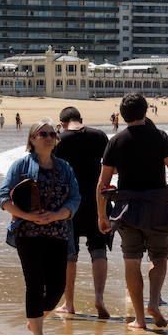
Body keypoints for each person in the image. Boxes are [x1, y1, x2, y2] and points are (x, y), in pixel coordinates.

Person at [96, 93, 168, 330]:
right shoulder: (160, 137)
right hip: (157, 208)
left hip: (127, 210)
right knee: (159, 258)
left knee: (131, 262)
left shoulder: (116, 141)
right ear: (145, 112)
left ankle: (140, 319)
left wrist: (102, 214)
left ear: (122, 115)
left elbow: (103, 183)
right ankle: (153, 301)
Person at [0, 119, 80, 335]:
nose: (48, 137)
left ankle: (35, 319)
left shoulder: (64, 167)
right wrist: (26, 215)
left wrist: (56, 215)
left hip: (58, 232)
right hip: (27, 233)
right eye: (42, 133)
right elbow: (3, 197)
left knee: (57, 286)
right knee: (34, 284)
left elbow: (75, 199)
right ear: (32, 139)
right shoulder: (21, 165)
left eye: (52, 134)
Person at [53, 107, 111, 319]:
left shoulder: (59, 139)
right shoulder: (99, 136)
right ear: (81, 119)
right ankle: (99, 297)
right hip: (98, 202)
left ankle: (69, 304)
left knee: (70, 254)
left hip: (69, 203)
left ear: (62, 123)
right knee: (99, 249)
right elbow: (111, 168)